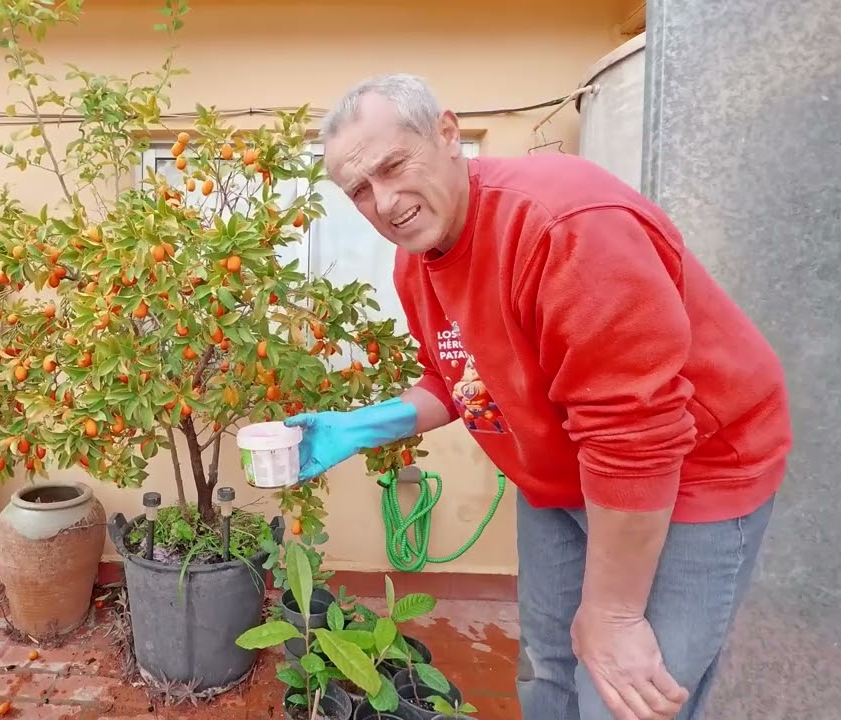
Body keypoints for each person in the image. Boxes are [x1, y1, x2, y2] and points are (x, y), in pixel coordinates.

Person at [284, 74, 793, 720]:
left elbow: (633, 436)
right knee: (548, 669)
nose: (383, 201)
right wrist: (358, 428)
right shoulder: (418, 260)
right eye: (359, 189)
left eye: (392, 165)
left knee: (622, 695)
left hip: (690, 476)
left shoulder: (561, 226)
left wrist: (613, 613)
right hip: (559, 474)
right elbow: (459, 379)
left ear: (446, 134)